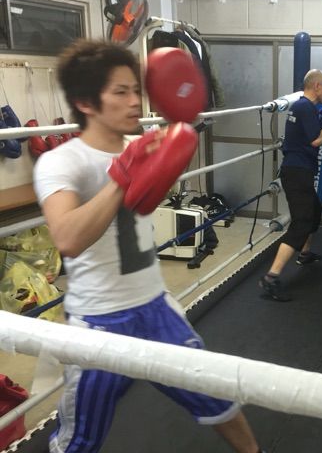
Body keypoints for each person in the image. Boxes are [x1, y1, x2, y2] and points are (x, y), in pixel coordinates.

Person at [33, 39, 263, 453]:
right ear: (85, 102)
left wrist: (163, 155)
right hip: (99, 324)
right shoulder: (62, 162)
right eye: (120, 92)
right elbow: (67, 239)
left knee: (216, 395)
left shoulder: (138, 145)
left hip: (155, 308)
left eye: (136, 90)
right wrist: (121, 177)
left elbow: (143, 205)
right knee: (79, 441)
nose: (134, 102)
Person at [259, 69, 322, 301]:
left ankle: (304, 253)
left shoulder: (303, 107)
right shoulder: (305, 108)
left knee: (314, 210)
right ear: (317, 86)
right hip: (297, 173)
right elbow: (316, 140)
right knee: (302, 222)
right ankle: (271, 277)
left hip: (298, 171)